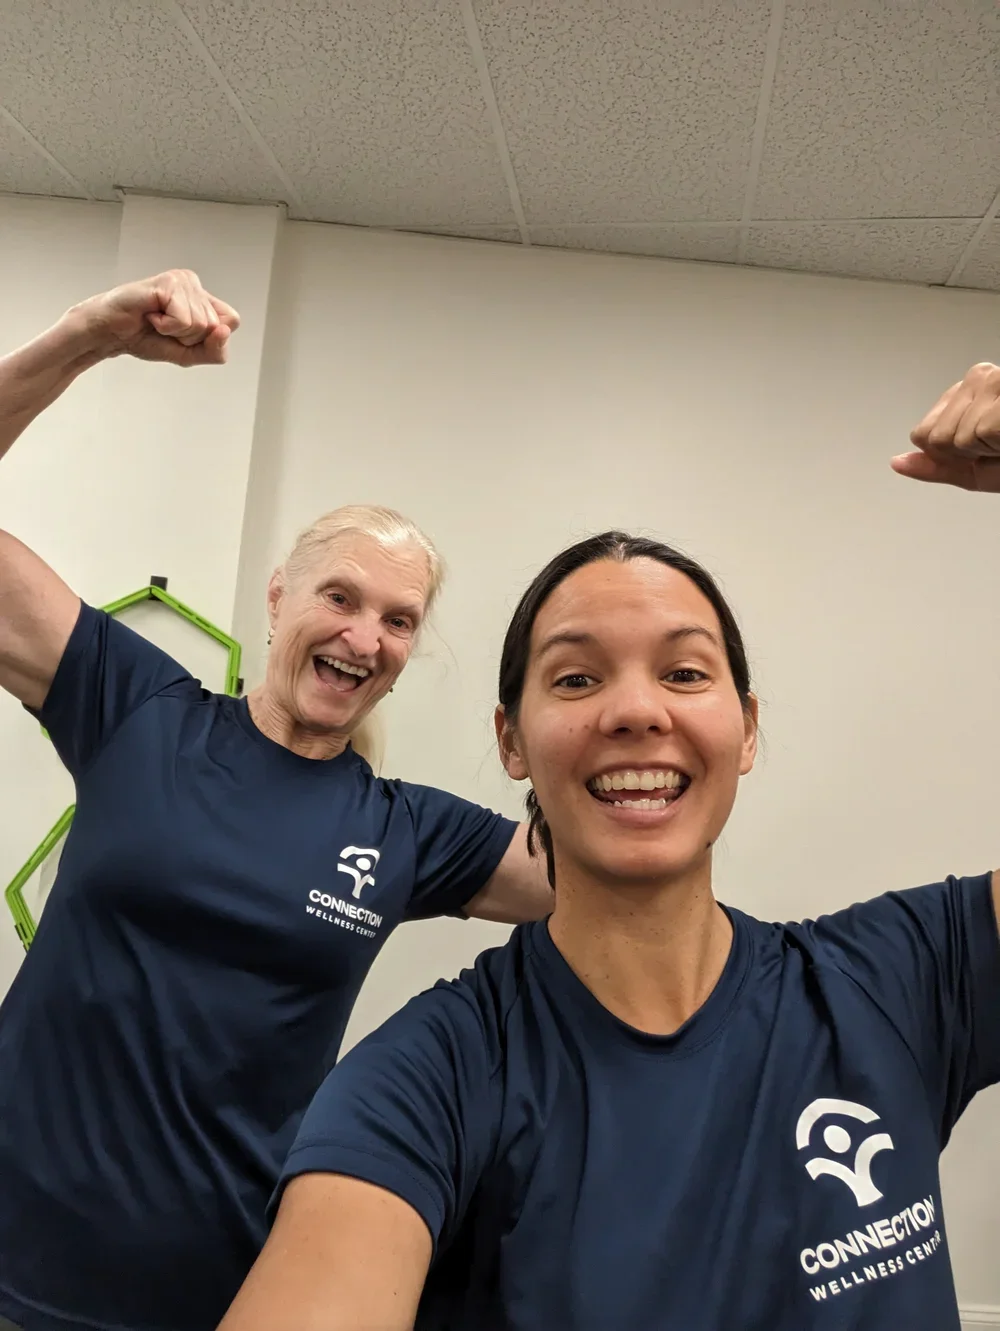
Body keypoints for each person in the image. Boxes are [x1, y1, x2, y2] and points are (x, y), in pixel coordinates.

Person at [219, 361, 1000, 1331]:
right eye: (577, 678)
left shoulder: (900, 978)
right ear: (511, 740)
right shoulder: (425, 1080)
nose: (636, 709)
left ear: (745, 727)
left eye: (682, 669)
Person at [0, 269, 553, 1331]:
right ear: (278, 597)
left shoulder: (409, 830)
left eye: (396, 619)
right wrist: (85, 337)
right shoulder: (139, 710)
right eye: (339, 596)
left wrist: (601, 706)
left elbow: (614, 874)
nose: (361, 635)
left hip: (213, 1289)